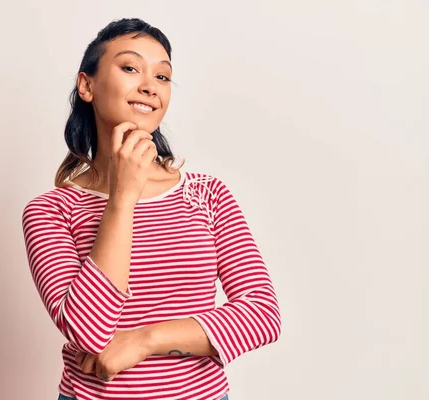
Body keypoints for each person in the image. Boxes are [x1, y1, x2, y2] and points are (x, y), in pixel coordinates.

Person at [22, 17, 282, 400]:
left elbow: (261, 315)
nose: (149, 86)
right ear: (87, 85)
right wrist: (123, 197)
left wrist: (145, 340)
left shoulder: (207, 195)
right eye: (130, 68)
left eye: (162, 77)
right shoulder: (51, 211)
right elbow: (88, 332)